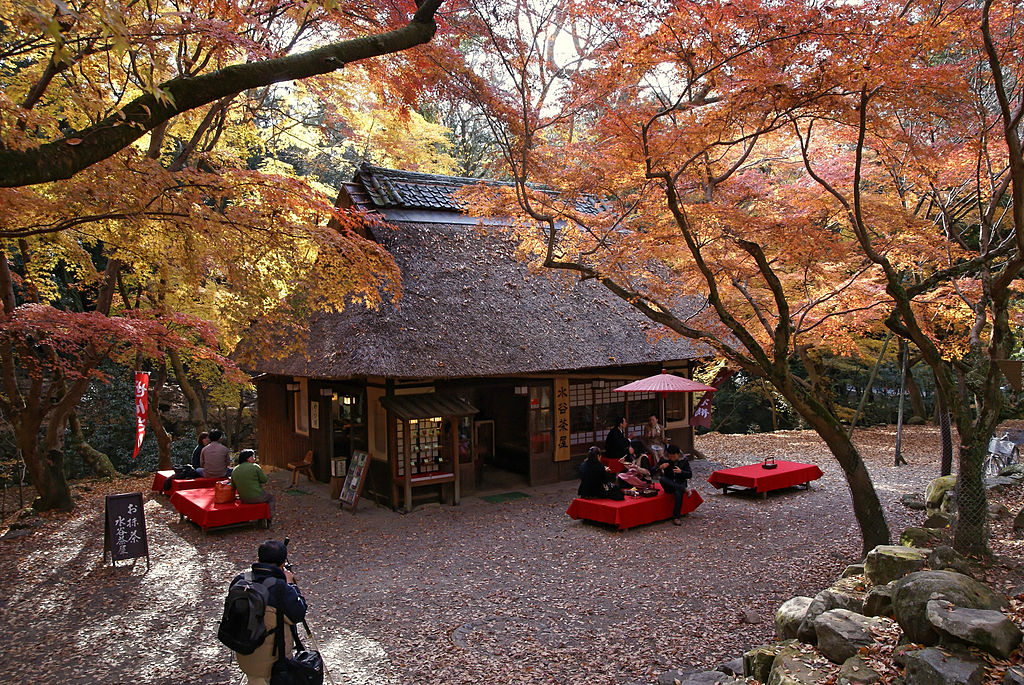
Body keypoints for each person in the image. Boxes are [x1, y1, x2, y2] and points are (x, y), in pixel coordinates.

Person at [232, 540, 307, 685]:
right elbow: (298, 613)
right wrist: (290, 584)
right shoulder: (280, 588)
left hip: (244, 652)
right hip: (274, 662)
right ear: (283, 562)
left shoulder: (240, 580)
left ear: (258, 559)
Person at [232, 449, 274, 520]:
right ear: (248, 458)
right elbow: (264, 480)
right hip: (257, 496)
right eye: (253, 456)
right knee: (271, 498)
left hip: (243, 498)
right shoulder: (255, 466)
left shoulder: (235, 469)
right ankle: (269, 516)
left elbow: (233, 486)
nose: (254, 458)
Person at [658, 444, 693, 525]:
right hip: (669, 484)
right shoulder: (665, 459)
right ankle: (685, 489)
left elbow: (690, 474)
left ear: (678, 454)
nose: (672, 458)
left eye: (674, 457)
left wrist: (681, 472)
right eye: (670, 456)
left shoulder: (683, 460)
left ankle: (676, 517)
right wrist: (661, 467)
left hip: (679, 482)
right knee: (662, 479)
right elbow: (653, 470)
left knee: (678, 493)